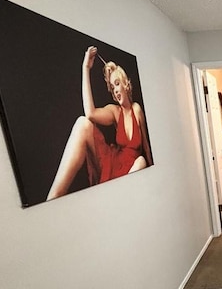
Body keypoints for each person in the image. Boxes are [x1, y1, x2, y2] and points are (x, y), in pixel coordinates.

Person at [47, 46, 153, 200]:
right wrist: (86, 68)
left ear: (125, 84)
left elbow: (146, 147)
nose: (115, 90)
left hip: (132, 169)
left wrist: (153, 171)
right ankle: (53, 197)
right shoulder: (115, 112)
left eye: (117, 83)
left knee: (142, 160)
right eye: (112, 87)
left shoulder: (136, 109)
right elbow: (90, 113)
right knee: (82, 123)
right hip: (112, 164)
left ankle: (119, 199)